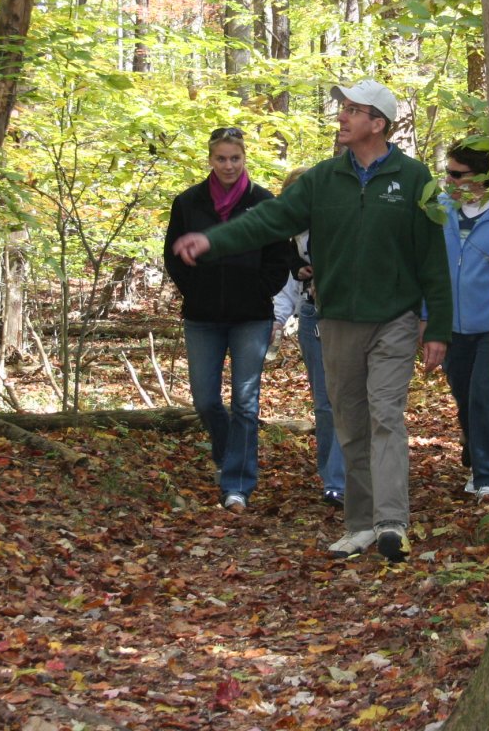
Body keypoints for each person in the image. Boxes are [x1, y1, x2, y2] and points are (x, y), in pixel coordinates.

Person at [171, 79, 452, 562]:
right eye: (341, 108)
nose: (340, 116)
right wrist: (212, 241)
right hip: (337, 319)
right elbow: (270, 219)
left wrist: (438, 328)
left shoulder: (414, 179)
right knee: (349, 420)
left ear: (377, 123)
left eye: (351, 110)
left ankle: (391, 522)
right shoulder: (323, 180)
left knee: (385, 414)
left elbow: (432, 259)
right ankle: (361, 524)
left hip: (395, 319)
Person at [162, 126, 294, 513]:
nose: (228, 165)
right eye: (221, 158)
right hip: (202, 316)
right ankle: (226, 452)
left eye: (235, 158)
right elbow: (174, 257)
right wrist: (196, 289)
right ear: (210, 160)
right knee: (205, 399)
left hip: (250, 317)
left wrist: (258, 290)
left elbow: (279, 258)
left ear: (244, 158)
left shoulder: (263, 202)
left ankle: (237, 483)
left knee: (246, 401)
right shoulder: (189, 202)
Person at [271, 167, 346, 509]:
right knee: (324, 402)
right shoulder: (288, 236)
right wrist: (275, 323)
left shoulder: (337, 224)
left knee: (346, 397)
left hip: (346, 317)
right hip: (311, 318)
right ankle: (331, 476)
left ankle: (341, 479)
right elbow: (286, 287)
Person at [439, 141, 489, 505]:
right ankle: (475, 456)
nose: (448, 180)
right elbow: (429, 268)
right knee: (464, 398)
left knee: (484, 398)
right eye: (447, 172)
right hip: (451, 326)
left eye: (456, 174)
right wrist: (428, 317)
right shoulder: (441, 211)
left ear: (480, 177)